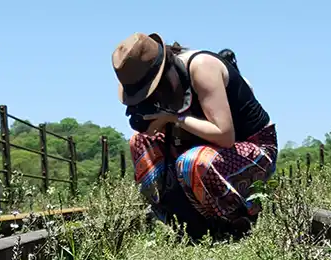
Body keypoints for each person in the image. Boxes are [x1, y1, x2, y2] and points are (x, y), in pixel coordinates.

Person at [112, 33, 276, 240]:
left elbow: (225, 136)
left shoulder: (201, 67)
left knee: (193, 162)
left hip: (253, 147)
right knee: (140, 140)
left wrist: (174, 118)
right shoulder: (164, 91)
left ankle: (237, 226)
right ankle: (186, 225)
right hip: (201, 148)